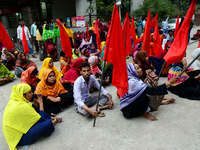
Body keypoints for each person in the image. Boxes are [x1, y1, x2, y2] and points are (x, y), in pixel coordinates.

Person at [2, 83, 61, 150]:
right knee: (48, 123)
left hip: (17, 131)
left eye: (31, 91)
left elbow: (32, 113)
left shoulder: (16, 101)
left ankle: (50, 121)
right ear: (23, 95)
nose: (32, 93)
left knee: (44, 118)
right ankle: (52, 123)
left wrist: (35, 102)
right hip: (20, 137)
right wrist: (41, 103)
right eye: (29, 93)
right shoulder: (21, 106)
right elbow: (40, 118)